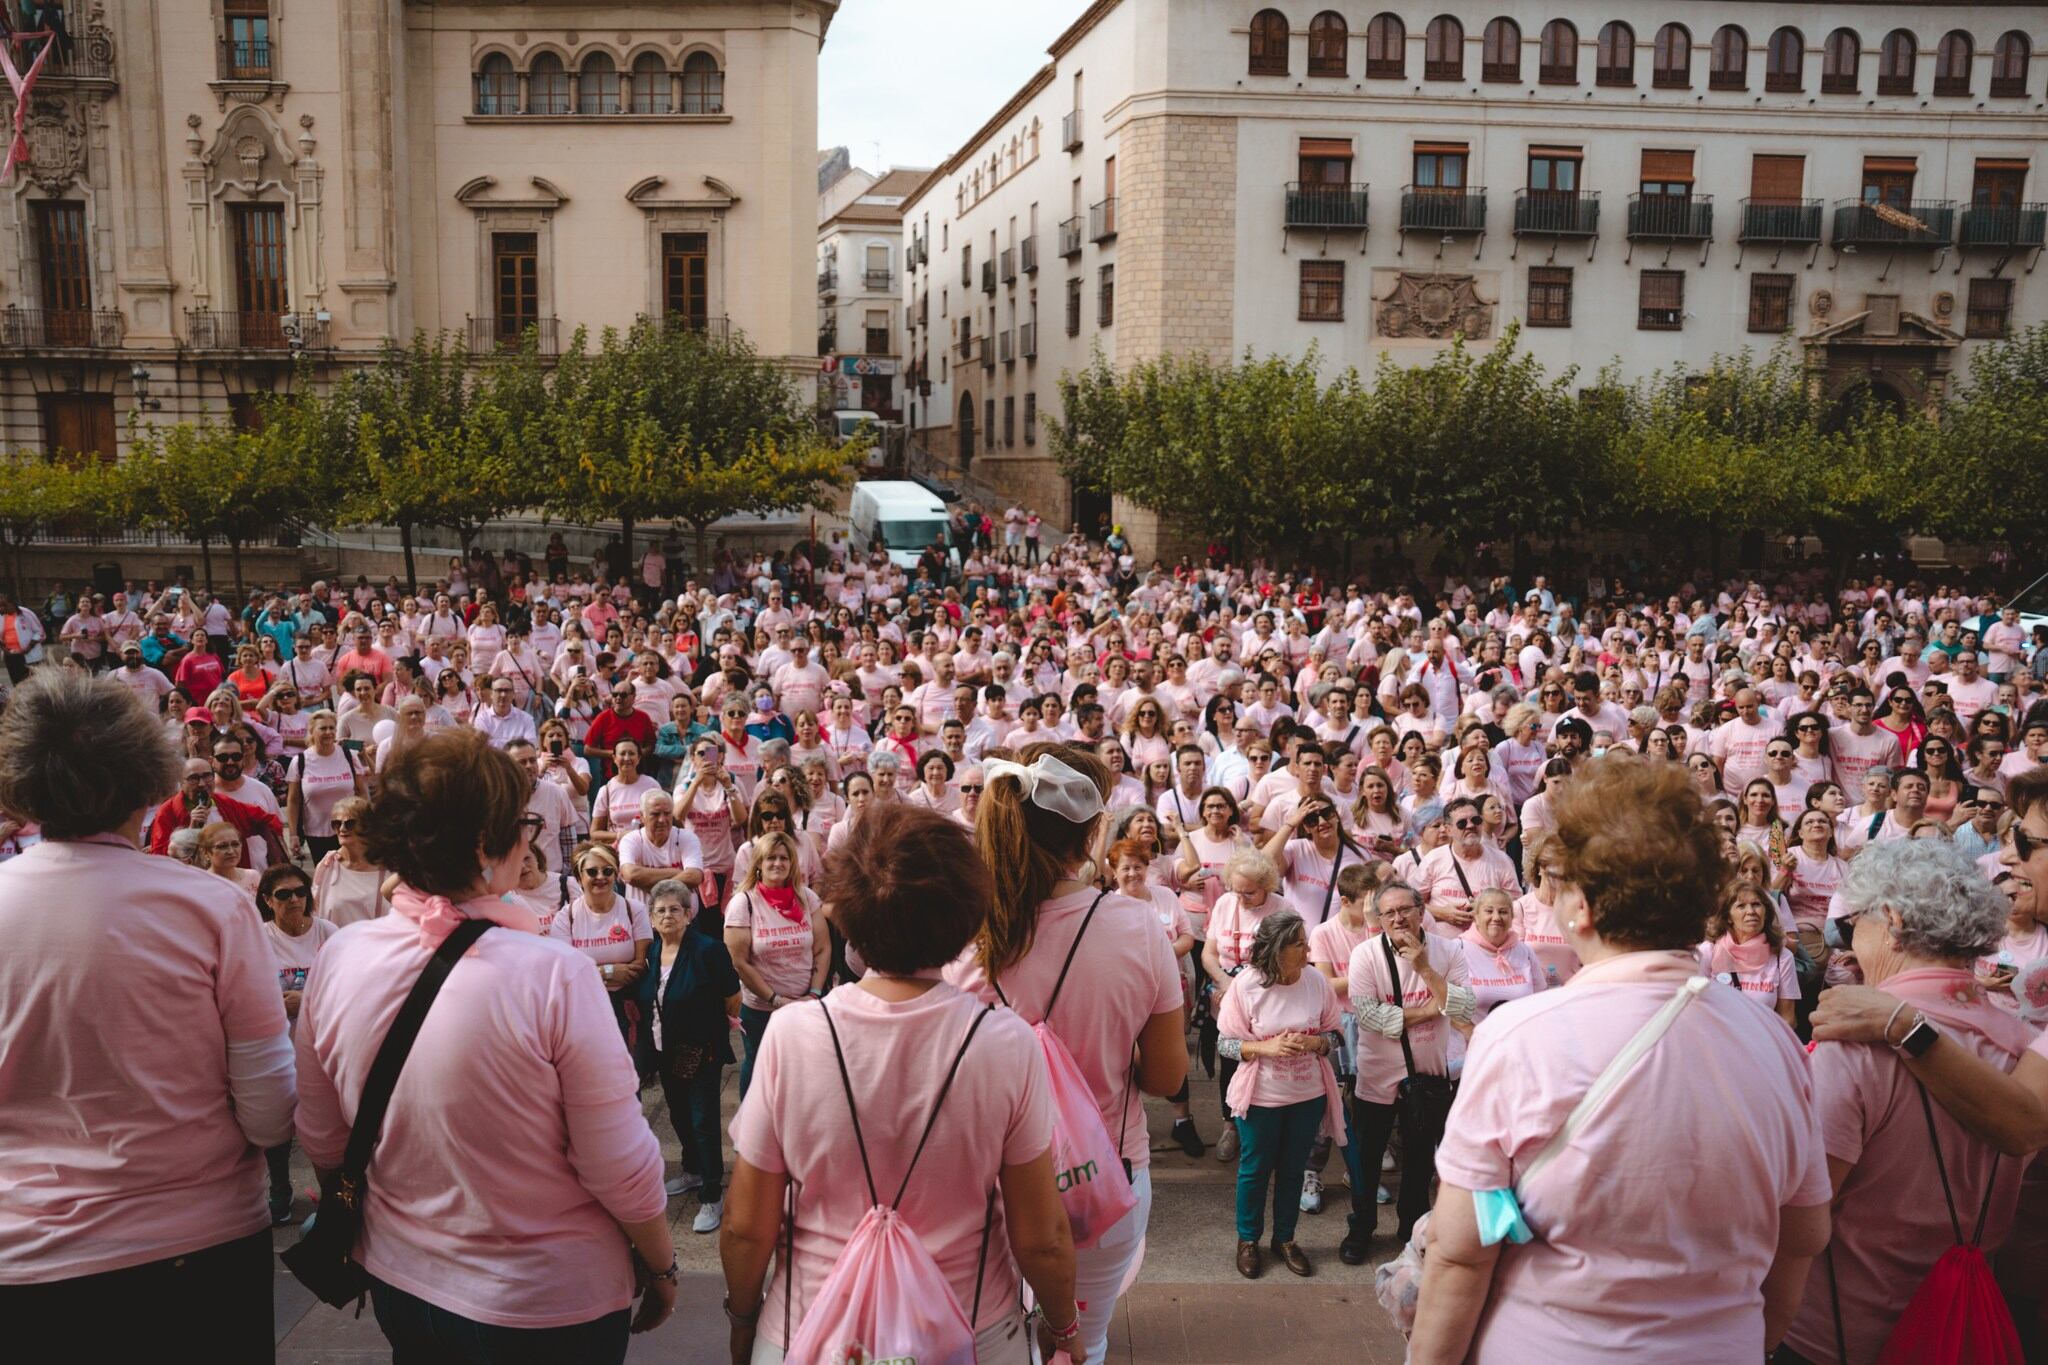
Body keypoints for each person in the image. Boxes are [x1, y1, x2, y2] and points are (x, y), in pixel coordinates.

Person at [1408, 757, 1831, 1364]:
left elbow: (1460, 1251)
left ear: (1580, 907)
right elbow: (1802, 1241)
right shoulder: (1777, 1046)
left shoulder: (1519, 1037)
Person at [294, 730, 675, 1359]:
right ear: (483, 845)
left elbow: (323, 1135)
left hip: (403, 1279)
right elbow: (619, 1165)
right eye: (522, 822)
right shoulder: (555, 974)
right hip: (543, 1302)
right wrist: (661, 1267)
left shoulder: (339, 955)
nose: (530, 837)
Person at [721, 803, 1080, 1364]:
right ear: (966, 914)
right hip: (972, 1330)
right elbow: (1041, 1236)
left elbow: (747, 1227)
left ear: (842, 913)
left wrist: (743, 1323)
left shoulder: (793, 1034)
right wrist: (1065, 1327)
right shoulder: (1003, 1042)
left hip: (809, 1328)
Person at [0, 672, 293, 1358]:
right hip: (197, 1247)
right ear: (145, 776)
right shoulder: (210, 907)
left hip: (26, 1254)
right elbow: (270, 1113)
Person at [945, 744, 1186, 1364]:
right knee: (1085, 1340)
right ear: (1089, 836)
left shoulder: (967, 943)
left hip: (992, 1187)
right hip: (1104, 1179)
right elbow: (1165, 1076)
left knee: (999, 1336)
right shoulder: (1138, 928)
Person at [1781, 838, 2031, 1364]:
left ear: (1892, 922)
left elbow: (1801, 1218)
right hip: (1966, 1330)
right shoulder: (2023, 1047)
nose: (1848, 946)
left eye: (1853, 927)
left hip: (1837, 1336)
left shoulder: (1855, 1044)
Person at [1342, 877, 1474, 1263]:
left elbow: (1465, 1008)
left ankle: (1411, 1230)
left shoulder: (1448, 950)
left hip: (1429, 1074)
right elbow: (1369, 1016)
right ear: (1379, 919)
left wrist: (1425, 969)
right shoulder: (1365, 955)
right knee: (1366, 1160)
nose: (1399, 918)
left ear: (1421, 912)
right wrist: (1435, 1007)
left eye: (1405, 910)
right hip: (1376, 1074)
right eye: (1390, 913)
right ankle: (1360, 1229)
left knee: (1419, 1161)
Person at [1217, 909, 1344, 1280]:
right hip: (1262, 1097)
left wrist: (1316, 1041)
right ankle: (1248, 1240)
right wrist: (1265, 1049)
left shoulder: (1316, 983)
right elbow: (1226, 1044)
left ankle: (1285, 1239)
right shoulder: (1247, 985)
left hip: (1307, 1094)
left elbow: (1336, 1037)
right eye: (1300, 943)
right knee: (1254, 1171)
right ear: (1277, 948)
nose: (1308, 949)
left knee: (1293, 1170)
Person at [633, 880, 739, 1232]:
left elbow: (731, 995)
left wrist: (711, 1031)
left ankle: (712, 1195)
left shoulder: (708, 949)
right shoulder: (652, 953)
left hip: (700, 1051)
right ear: (651, 917)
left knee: (704, 1122)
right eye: (660, 910)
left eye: (674, 909)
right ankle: (693, 1172)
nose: (667, 916)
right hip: (665, 1049)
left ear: (688, 914)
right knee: (678, 1115)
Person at [723, 830, 831, 1099]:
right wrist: (776, 1000)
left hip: (807, 1004)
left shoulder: (807, 898)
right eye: (771, 857)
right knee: (760, 1070)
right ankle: (750, 1134)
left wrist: (814, 994)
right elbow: (739, 962)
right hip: (761, 1009)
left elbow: (823, 948)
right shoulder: (743, 903)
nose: (777, 864)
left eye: (784, 858)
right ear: (758, 863)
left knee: (805, 1073)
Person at [257, 861, 332, 1226]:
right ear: (268, 900)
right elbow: (246, 991)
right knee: (278, 1123)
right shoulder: (258, 938)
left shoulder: (328, 932)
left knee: (326, 1125)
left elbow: (349, 984)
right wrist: (278, 1001)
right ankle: (280, 1191)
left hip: (323, 1046)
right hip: (279, 1047)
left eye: (300, 892)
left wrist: (308, 998)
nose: (294, 900)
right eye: (283, 895)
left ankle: (335, 1194)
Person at [553, 842, 652, 1036]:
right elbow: (565, 972)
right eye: (592, 872)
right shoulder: (566, 917)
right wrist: (609, 972)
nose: (600, 877)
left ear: (615, 875)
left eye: (607, 871)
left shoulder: (635, 910)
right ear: (579, 877)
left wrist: (592, 973)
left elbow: (641, 964)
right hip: (584, 1006)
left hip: (628, 1004)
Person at [1702, 881, 1800, 1028]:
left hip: (1762, 1043)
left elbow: (1787, 1019)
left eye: (1756, 905)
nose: (1751, 911)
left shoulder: (1782, 957)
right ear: (1728, 917)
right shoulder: (1708, 951)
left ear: (1766, 913)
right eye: (1741, 906)